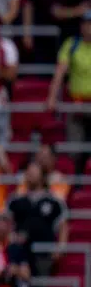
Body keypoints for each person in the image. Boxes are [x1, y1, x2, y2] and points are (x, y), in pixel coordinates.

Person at [47, 13, 91, 171]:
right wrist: (52, 97)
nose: (89, 28)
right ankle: (76, 185)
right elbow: (60, 72)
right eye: (86, 24)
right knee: (74, 150)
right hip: (77, 104)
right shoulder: (72, 45)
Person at [8, 162, 68, 278]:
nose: (30, 175)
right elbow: (8, 224)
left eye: (34, 172)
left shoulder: (54, 201)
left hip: (44, 253)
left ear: (42, 175)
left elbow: (63, 226)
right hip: (20, 254)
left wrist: (60, 247)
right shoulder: (16, 201)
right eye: (28, 172)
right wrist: (12, 237)